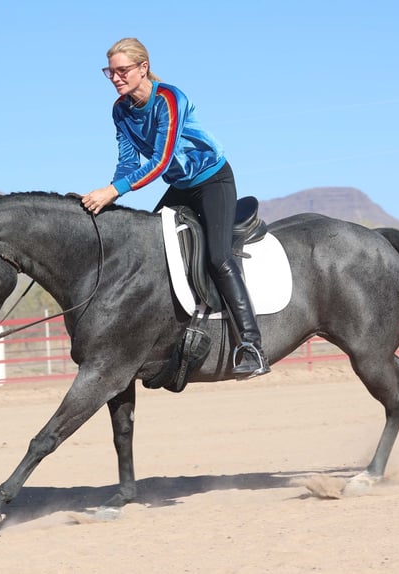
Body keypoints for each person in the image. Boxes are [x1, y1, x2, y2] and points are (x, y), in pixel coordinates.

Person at [82, 37, 269, 379]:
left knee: (219, 258)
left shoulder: (170, 98)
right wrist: (108, 198)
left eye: (122, 70)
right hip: (181, 186)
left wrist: (113, 191)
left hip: (213, 180)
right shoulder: (119, 110)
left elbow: (162, 158)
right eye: (110, 71)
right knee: (152, 253)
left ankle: (252, 346)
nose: (115, 78)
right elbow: (126, 165)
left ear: (143, 67)